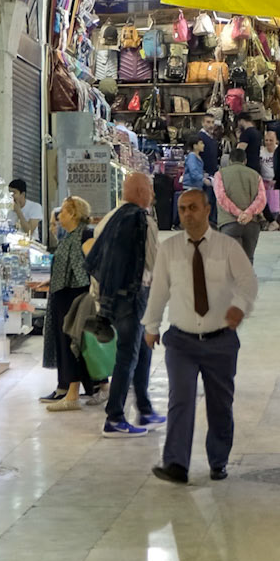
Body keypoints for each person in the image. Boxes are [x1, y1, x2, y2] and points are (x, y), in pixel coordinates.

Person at [145, 184, 258, 484]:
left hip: (220, 341)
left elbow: (248, 282)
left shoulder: (227, 248)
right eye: (182, 209)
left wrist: (239, 307)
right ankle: (176, 464)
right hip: (181, 341)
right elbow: (158, 291)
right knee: (180, 399)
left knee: (220, 404)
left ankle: (218, 460)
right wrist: (151, 326)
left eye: (193, 208)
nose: (187, 214)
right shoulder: (169, 250)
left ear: (208, 210)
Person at [85, 172, 162, 436]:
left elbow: (95, 261)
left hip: (110, 299)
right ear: (142, 193)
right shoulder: (143, 219)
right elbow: (154, 263)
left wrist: (99, 301)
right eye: (149, 190)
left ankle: (144, 409)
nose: (152, 195)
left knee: (141, 349)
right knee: (129, 355)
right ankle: (115, 418)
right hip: (134, 296)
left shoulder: (109, 219)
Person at [40, 195, 97, 409]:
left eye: (63, 211)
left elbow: (92, 265)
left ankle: (77, 390)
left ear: (73, 213)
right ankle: (65, 386)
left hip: (77, 297)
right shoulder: (68, 238)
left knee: (75, 343)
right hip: (62, 295)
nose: (59, 216)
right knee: (64, 342)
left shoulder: (85, 235)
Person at [215, 144, 267, 263]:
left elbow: (221, 197)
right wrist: (248, 214)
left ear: (230, 161)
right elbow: (262, 199)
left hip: (229, 224)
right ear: (245, 161)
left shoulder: (220, 175)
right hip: (252, 224)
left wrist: (238, 213)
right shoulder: (256, 175)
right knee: (248, 259)